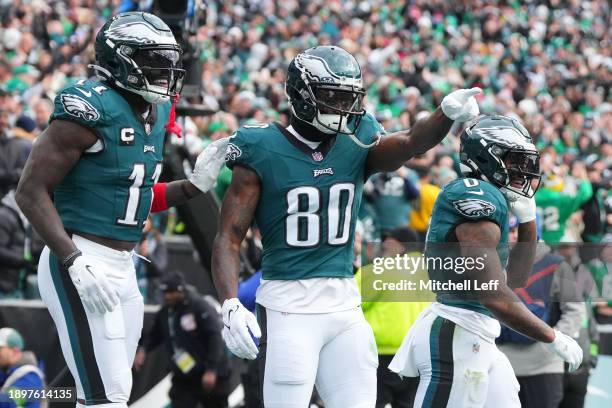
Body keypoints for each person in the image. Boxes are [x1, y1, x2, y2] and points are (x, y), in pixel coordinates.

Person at [212, 45, 483, 407]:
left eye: (349, 97)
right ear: (302, 96)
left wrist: (444, 115)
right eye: (333, 97)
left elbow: (409, 143)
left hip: (344, 303)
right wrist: (229, 303)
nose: (344, 108)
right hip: (287, 304)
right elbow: (229, 237)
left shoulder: (355, 140)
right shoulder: (261, 146)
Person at [15, 12, 228, 407]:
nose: (165, 71)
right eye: (154, 61)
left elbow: (138, 196)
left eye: (168, 61)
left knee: (113, 393)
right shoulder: (88, 109)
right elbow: (30, 190)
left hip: (124, 264)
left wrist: (193, 186)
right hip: (78, 258)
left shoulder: (156, 110)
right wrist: (73, 258)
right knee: (105, 397)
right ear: (120, 59)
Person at [389, 115, 583, 407]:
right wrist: (552, 336)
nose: (524, 171)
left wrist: (528, 220)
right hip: (457, 332)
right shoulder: (475, 196)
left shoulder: (493, 199)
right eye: (515, 160)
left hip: (477, 331)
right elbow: (493, 294)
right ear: (486, 158)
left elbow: (514, 280)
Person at [497, 227, 585, 408]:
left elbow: (575, 310)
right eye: (509, 229)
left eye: (519, 229)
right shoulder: (493, 265)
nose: (514, 235)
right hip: (499, 364)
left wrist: (553, 342)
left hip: (543, 367)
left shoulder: (557, 264)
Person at [355, 226, 429, 408]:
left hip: (381, 355)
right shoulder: (432, 272)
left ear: (396, 244)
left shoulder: (378, 270)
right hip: (418, 355)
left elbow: (348, 302)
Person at [135, 271, 231, 408]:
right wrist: (143, 349)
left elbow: (215, 337)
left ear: (180, 291)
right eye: (165, 293)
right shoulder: (165, 312)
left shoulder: (199, 306)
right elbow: (154, 335)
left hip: (210, 372)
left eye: (171, 292)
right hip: (185, 375)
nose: (167, 296)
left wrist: (211, 369)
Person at [0, 328, 44, 408]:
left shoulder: (30, 376)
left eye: (0, 349)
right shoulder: (8, 372)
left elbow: (8, 401)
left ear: (14, 351)